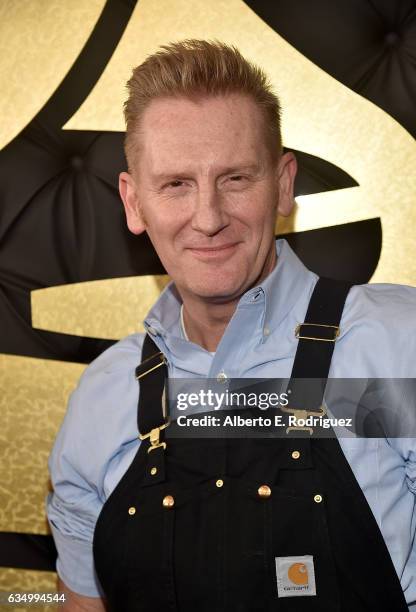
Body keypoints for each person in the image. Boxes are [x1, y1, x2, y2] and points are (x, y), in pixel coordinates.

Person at [47, 40, 416, 611]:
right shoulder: (103, 398)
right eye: (175, 184)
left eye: (236, 178)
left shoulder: (396, 347)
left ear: (284, 183)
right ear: (134, 202)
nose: (209, 218)